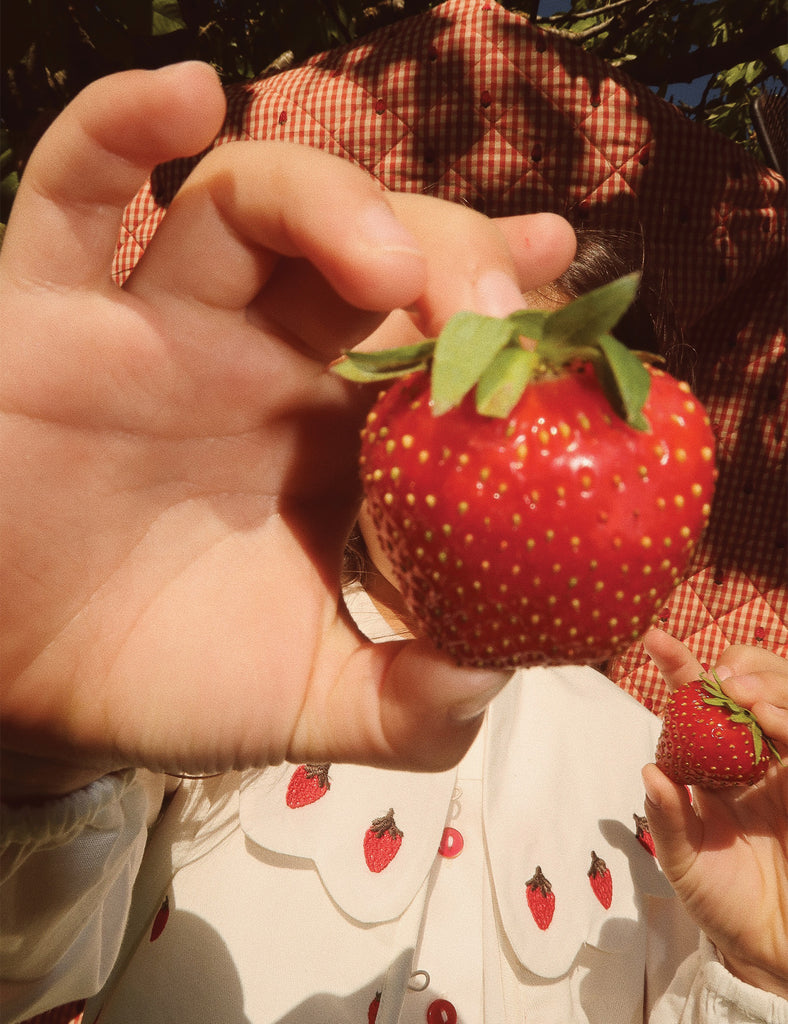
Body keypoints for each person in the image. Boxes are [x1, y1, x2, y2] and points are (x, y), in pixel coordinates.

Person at [0, 62, 786, 1024]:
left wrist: (759, 975)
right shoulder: (208, 655)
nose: (513, 494)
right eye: (444, 399)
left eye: (568, 432)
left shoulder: (657, 778)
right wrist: (35, 769)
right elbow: (29, 972)